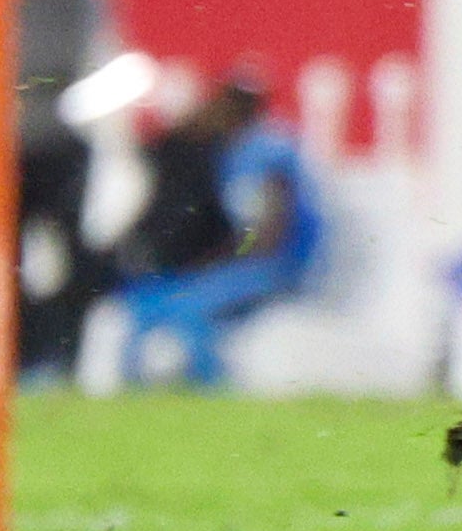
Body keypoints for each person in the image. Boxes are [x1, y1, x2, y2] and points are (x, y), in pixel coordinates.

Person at [108, 70, 324, 389]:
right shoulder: (230, 150)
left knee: (188, 309)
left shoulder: (267, 149)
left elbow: (270, 231)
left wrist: (220, 261)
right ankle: (131, 390)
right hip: (244, 261)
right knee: (148, 307)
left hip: (274, 266)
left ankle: (211, 384)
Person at [10, 0, 108, 387]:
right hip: (18, 148)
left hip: (60, 146)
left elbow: (60, 68)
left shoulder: (79, 6)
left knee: (72, 255)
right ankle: (25, 354)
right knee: (10, 257)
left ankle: (68, 359)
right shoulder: (15, 3)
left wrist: (26, 82)